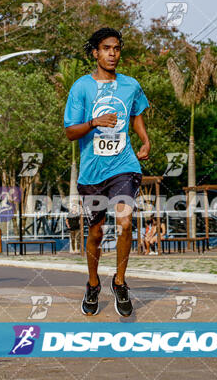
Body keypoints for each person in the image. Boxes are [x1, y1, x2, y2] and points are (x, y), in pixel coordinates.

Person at [64, 27, 151, 317]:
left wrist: (145, 139)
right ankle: (92, 284)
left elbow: (136, 114)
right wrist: (94, 121)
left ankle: (120, 282)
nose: (112, 53)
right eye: (106, 48)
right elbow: (70, 132)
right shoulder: (81, 88)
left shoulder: (131, 85)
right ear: (95, 53)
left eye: (116, 48)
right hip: (92, 172)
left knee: (125, 221)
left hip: (124, 165)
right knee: (96, 232)